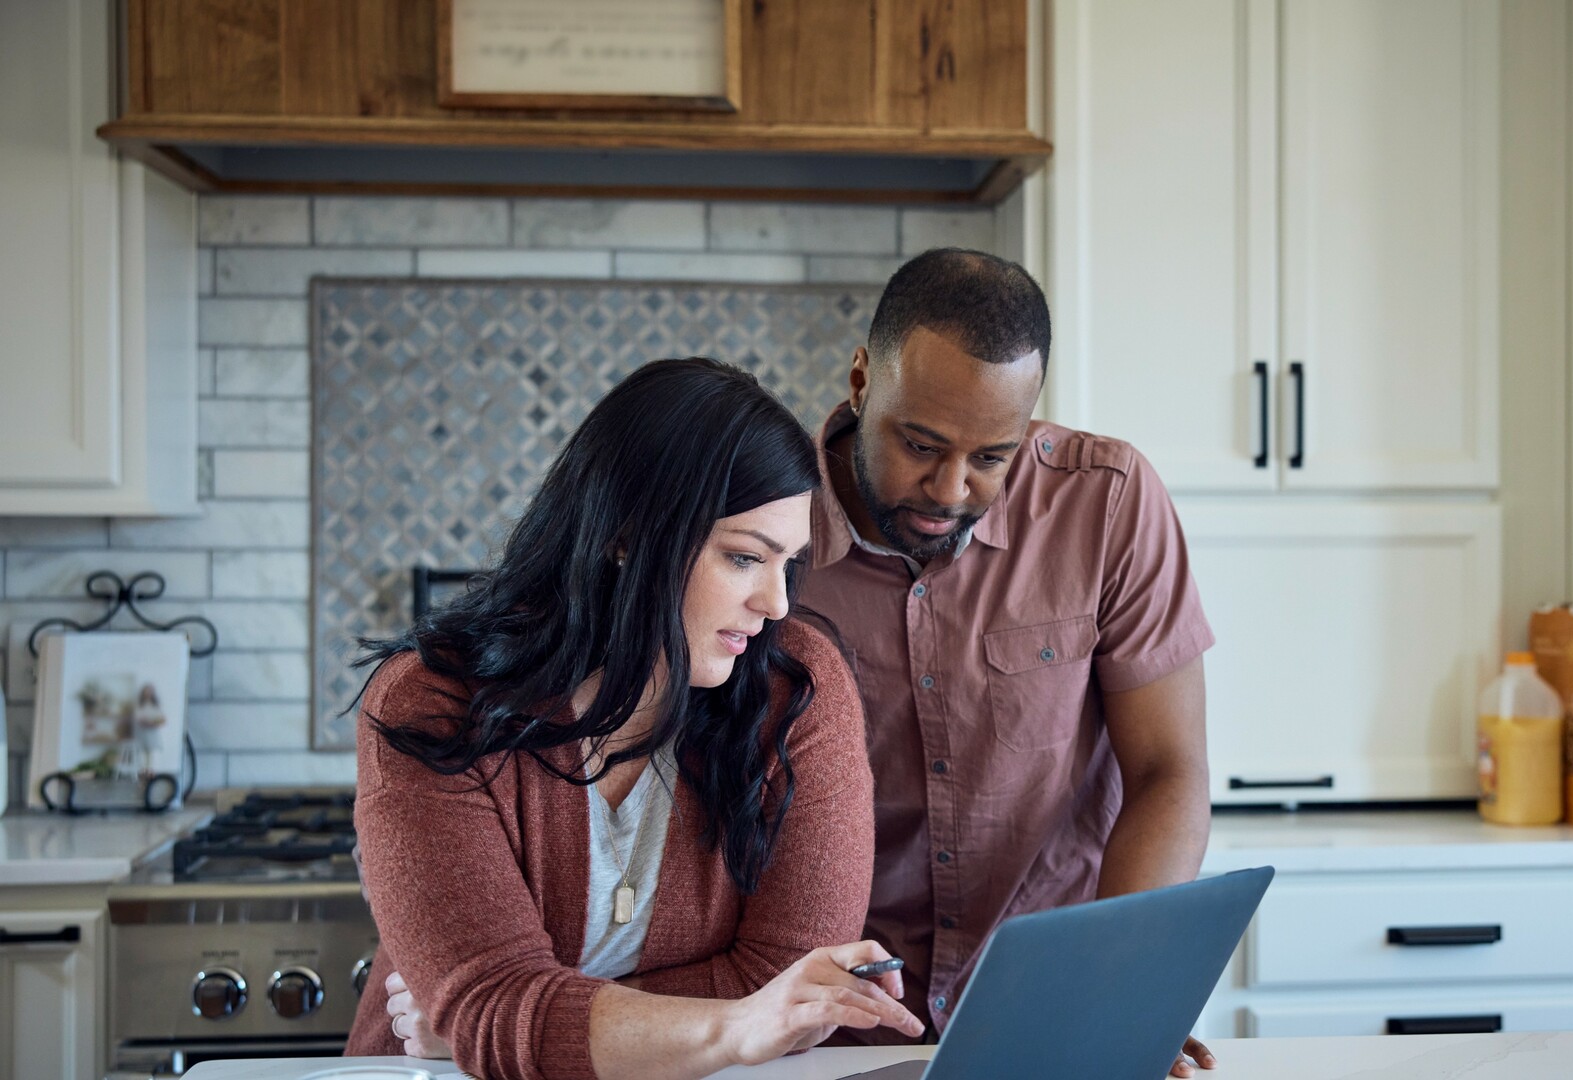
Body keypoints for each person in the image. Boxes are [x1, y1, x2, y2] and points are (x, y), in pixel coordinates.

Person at [345, 358, 922, 1079]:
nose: (776, 602)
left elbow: (795, 989)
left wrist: (521, 1024)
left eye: (789, 563)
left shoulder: (795, 689)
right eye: (744, 558)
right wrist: (500, 1018)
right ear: (625, 533)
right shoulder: (432, 705)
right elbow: (493, 1006)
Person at [806, 249, 1218, 1072]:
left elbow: (1170, 771)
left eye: (991, 456)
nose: (951, 488)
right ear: (861, 382)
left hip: (1051, 1012)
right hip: (828, 1026)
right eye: (920, 444)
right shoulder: (768, 528)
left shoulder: (1108, 501)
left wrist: (1124, 991)